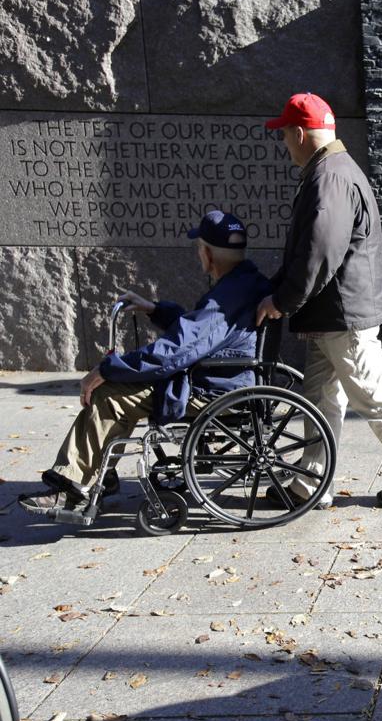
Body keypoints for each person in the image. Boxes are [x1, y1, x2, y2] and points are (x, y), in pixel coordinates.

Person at [258, 92, 382, 511]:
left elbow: (320, 253)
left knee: (372, 395)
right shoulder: (333, 171)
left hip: (343, 316)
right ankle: (312, 483)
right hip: (335, 313)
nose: (284, 142)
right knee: (322, 397)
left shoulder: (330, 177)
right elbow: (314, 251)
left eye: (285, 134)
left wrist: (282, 300)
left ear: (301, 132)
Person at [19, 210, 271, 515]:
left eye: (198, 248)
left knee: (111, 395)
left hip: (214, 389)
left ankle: (74, 488)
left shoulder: (225, 297)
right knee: (120, 389)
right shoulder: (244, 283)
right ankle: (100, 473)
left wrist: (107, 368)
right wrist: (155, 309)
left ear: (207, 253)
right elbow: (200, 334)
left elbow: (177, 351)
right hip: (227, 379)